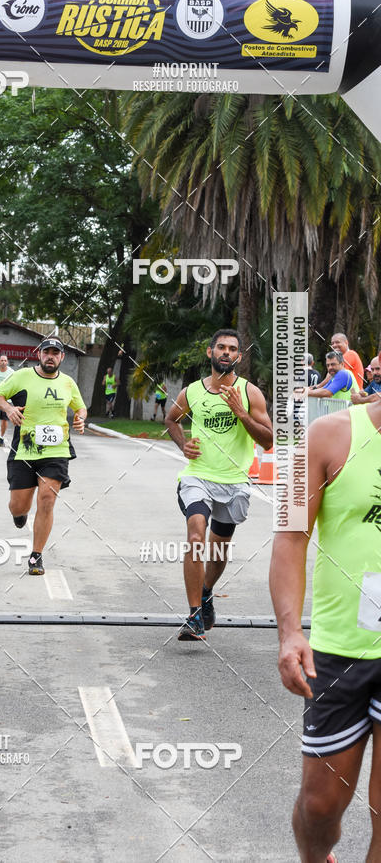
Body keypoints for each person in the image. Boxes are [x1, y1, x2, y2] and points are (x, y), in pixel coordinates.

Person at [270, 398, 381, 863]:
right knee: (319, 809)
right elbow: (290, 536)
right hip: (339, 653)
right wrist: (290, 632)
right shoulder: (325, 436)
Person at [165, 329, 273, 640]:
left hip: (234, 482)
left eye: (233, 349)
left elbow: (268, 440)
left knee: (219, 549)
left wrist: (241, 412)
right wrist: (183, 444)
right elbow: (171, 420)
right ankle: (194, 615)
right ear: (210, 352)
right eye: (221, 347)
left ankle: (206, 591)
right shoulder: (192, 392)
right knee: (196, 534)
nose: (226, 352)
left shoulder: (250, 393)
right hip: (197, 477)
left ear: (239, 356)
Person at [0, 338, 87, 576]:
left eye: (55, 353)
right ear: (39, 355)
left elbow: (80, 407)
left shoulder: (68, 382)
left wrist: (81, 418)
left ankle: (36, 555)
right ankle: (20, 515)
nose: (50, 356)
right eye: (46, 352)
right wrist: (9, 409)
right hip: (24, 449)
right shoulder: (22, 376)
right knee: (18, 506)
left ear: (62, 357)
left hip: (56, 451)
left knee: (47, 499)